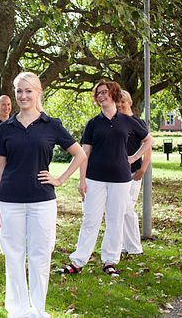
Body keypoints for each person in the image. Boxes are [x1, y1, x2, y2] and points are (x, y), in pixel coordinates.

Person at [0, 72, 86, 318]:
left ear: (38, 92)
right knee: (13, 256)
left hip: (42, 200)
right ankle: (17, 310)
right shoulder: (5, 128)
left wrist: (60, 179)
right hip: (10, 199)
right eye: (19, 91)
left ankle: (38, 310)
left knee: (40, 255)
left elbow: (80, 154)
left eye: (28, 91)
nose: (23, 96)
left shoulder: (51, 125)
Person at [61, 81, 153, 277]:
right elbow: (84, 152)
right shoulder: (93, 124)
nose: (101, 95)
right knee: (90, 220)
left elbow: (149, 140)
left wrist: (134, 157)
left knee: (115, 220)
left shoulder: (127, 121)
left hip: (121, 179)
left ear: (113, 94)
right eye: (98, 93)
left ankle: (110, 261)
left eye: (104, 92)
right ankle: (78, 261)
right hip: (95, 178)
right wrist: (82, 180)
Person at [117, 90, 151, 256]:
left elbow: (148, 147)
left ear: (129, 102)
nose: (120, 105)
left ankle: (133, 247)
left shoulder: (138, 123)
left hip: (134, 172)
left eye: (122, 102)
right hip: (118, 174)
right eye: (117, 103)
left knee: (126, 208)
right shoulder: (117, 123)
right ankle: (127, 246)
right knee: (122, 210)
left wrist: (142, 169)